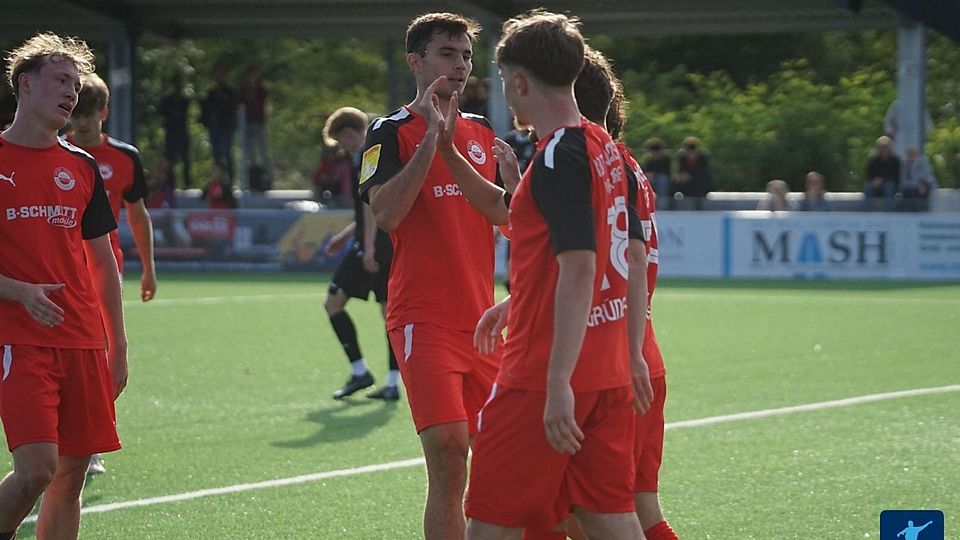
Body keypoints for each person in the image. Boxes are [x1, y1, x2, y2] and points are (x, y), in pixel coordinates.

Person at [463, 12, 648, 540]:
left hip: (541, 374)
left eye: (503, 83)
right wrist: (516, 303)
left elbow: (581, 265)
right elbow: (616, 259)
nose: (506, 96)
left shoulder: (556, 156)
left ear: (520, 81)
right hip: (605, 373)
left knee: (489, 528)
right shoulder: (603, 145)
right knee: (606, 520)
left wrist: (556, 381)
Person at [357, 13, 501, 539]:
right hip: (424, 319)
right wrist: (431, 143)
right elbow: (387, 214)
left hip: (485, 323)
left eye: (465, 55)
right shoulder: (388, 131)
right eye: (447, 53)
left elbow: (507, 220)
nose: (460, 65)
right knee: (448, 452)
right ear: (416, 61)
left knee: (501, 463)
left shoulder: (484, 132)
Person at [0, 32, 128, 539]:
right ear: (25, 85)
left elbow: (103, 264)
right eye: (59, 81)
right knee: (36, 469)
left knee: (70, 477)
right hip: (20, 338)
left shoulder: (82, 166)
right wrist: (17, 290)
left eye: (75, 85)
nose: (71, 93)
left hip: (81, 340)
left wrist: (116, 344)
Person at [66, 72, 157, 475]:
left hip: (105, 265)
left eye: (89, 113)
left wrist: (149, 269)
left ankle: (93, 442)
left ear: (103, 111)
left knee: (100, 349)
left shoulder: (124, 157)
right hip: (62, 267)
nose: (82, 122)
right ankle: (59, 435)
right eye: (76, 113)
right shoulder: (57, 152)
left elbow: (137, 214)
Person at [321, 107, 399, 401]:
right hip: (380, 244)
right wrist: (344, 237)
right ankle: (391, 383)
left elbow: (371, 206)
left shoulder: (368, 155)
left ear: (350, 133)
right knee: (388, 314)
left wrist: (366, 245)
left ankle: (360, 373)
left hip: (374, 247)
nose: (342, 146)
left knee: (333, 304)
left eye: (342, 140)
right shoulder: (375, 153)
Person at [200, 68, 238, 179]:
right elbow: (206, 110)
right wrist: (206, 123)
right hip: (214, 127)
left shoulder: (230, 92)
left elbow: (234, 108)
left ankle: (231, 179)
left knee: (227, 153)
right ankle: (217, 178)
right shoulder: (211, 93)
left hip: (226, 127)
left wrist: (232, 124)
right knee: (216, 154)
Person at [239, 65, 272, 185]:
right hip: (247, 123)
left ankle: (268, 179)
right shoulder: (243, 90)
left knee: (263, 151)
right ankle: (252, 181)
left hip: (259, 122)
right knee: (250, 153)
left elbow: (264, 105)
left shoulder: (261, 90)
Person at [158, 73, 191, 188]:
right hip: (171, 132)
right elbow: (163, 113)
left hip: (182, 131)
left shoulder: (185, 99)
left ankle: (187, 183)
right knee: (170, 160)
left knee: (185, 158)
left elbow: (185, 114)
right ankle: (171, 183)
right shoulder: (167, 99)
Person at [673, 136, 712, 209]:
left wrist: (690, 176)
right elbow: (679, 170)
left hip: (700, 182)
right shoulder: (682, 157)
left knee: (700, 182)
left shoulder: (703, 157)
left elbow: (704, 173)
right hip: (686, 182)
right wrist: (680, 176)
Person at [863, 135, 900, 211]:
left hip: (889, 185)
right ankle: (865, 211)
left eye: (886, 146)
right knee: (868, 186)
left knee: (889, 187)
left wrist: (882, 180)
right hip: (875, 185)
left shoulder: (895, 161)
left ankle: (887, 212)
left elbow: (896, 177)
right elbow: (869, 175)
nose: (884, 149)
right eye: (882, 147)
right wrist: (874, 181)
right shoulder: (873, 160)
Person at [642, 137, 671, 207]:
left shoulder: (666, 160)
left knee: (662, 180)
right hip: (651, 179)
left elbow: (666, 172)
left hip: (661, 179)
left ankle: (662, 204)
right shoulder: (649, 160)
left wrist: (654, 175)